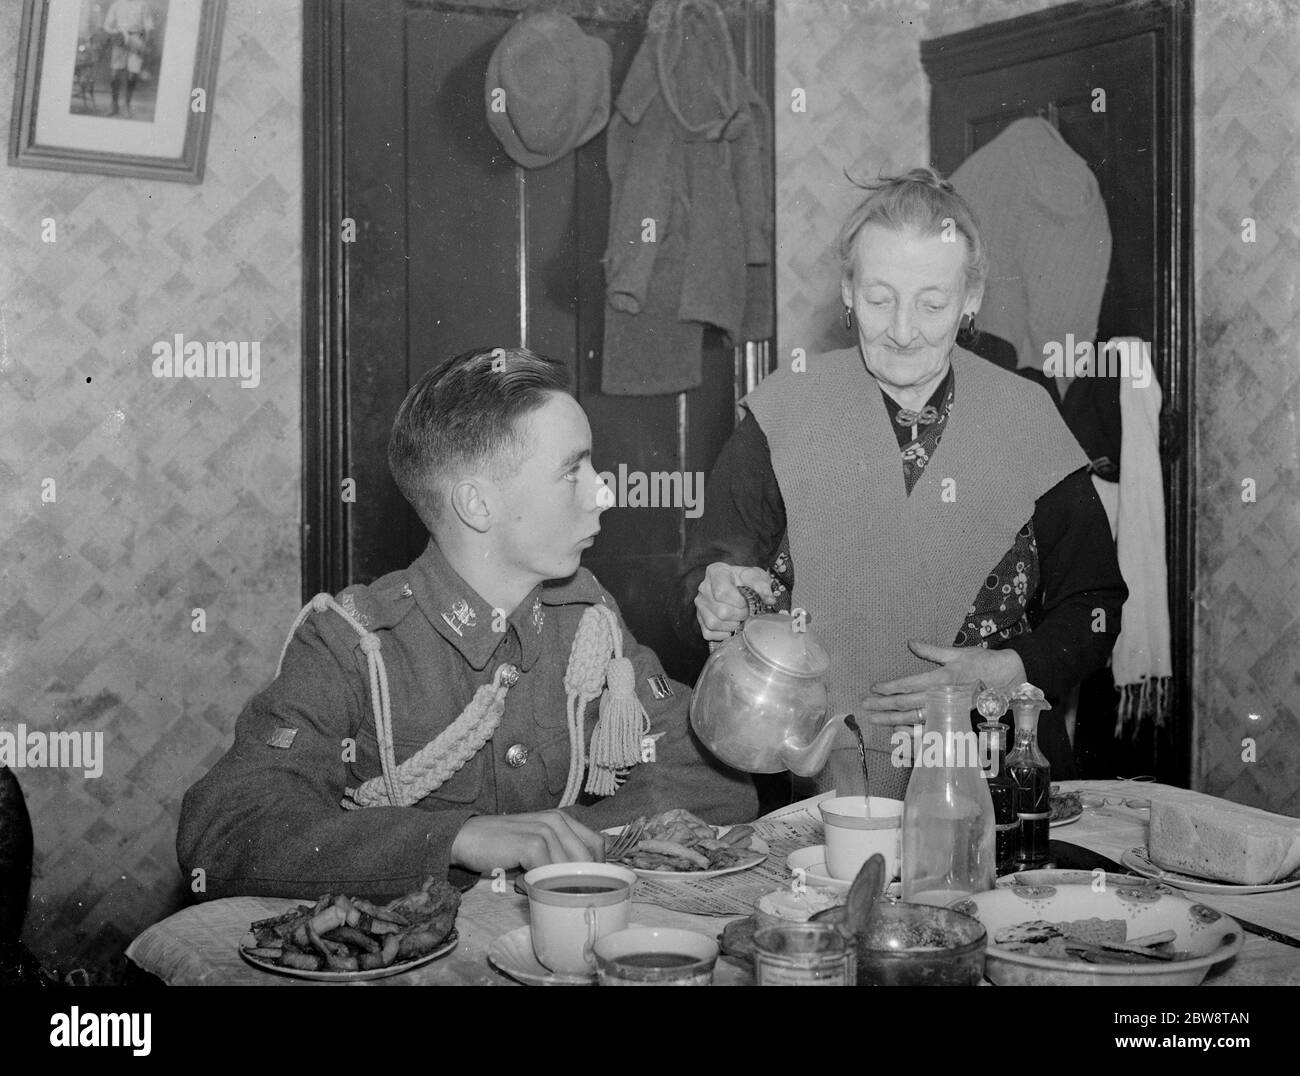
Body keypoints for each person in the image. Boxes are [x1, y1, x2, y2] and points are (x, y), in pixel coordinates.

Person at [178, 347, 757, 900]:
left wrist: (570, 835)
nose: (604, 492)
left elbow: (714, 778)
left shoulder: (586, 621)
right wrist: (457, 839)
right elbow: (225, 829)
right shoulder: (355, 644)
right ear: (476, 505)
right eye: (572, 472)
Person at [679, 168, 1128, 801]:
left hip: (994, 777)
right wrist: (716, 595)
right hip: (816, 785)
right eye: (880, 297)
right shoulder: (783, 411)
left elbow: (1096, 607)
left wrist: (1006, 670)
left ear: (970, 299)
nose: (903, 329)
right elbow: (706, 572)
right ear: (847, 290)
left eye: (933, 303)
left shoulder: (1026, 416)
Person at [103, 0, 154, 118]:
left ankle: (127, 105)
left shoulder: (142, 4)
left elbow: (148, 25)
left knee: (132, 74)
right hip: (120, 39)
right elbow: (107, 25)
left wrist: (144, 44)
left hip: (136, 39)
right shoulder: (116, 5)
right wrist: (117, 33)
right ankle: (114, 105)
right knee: (115, 74)